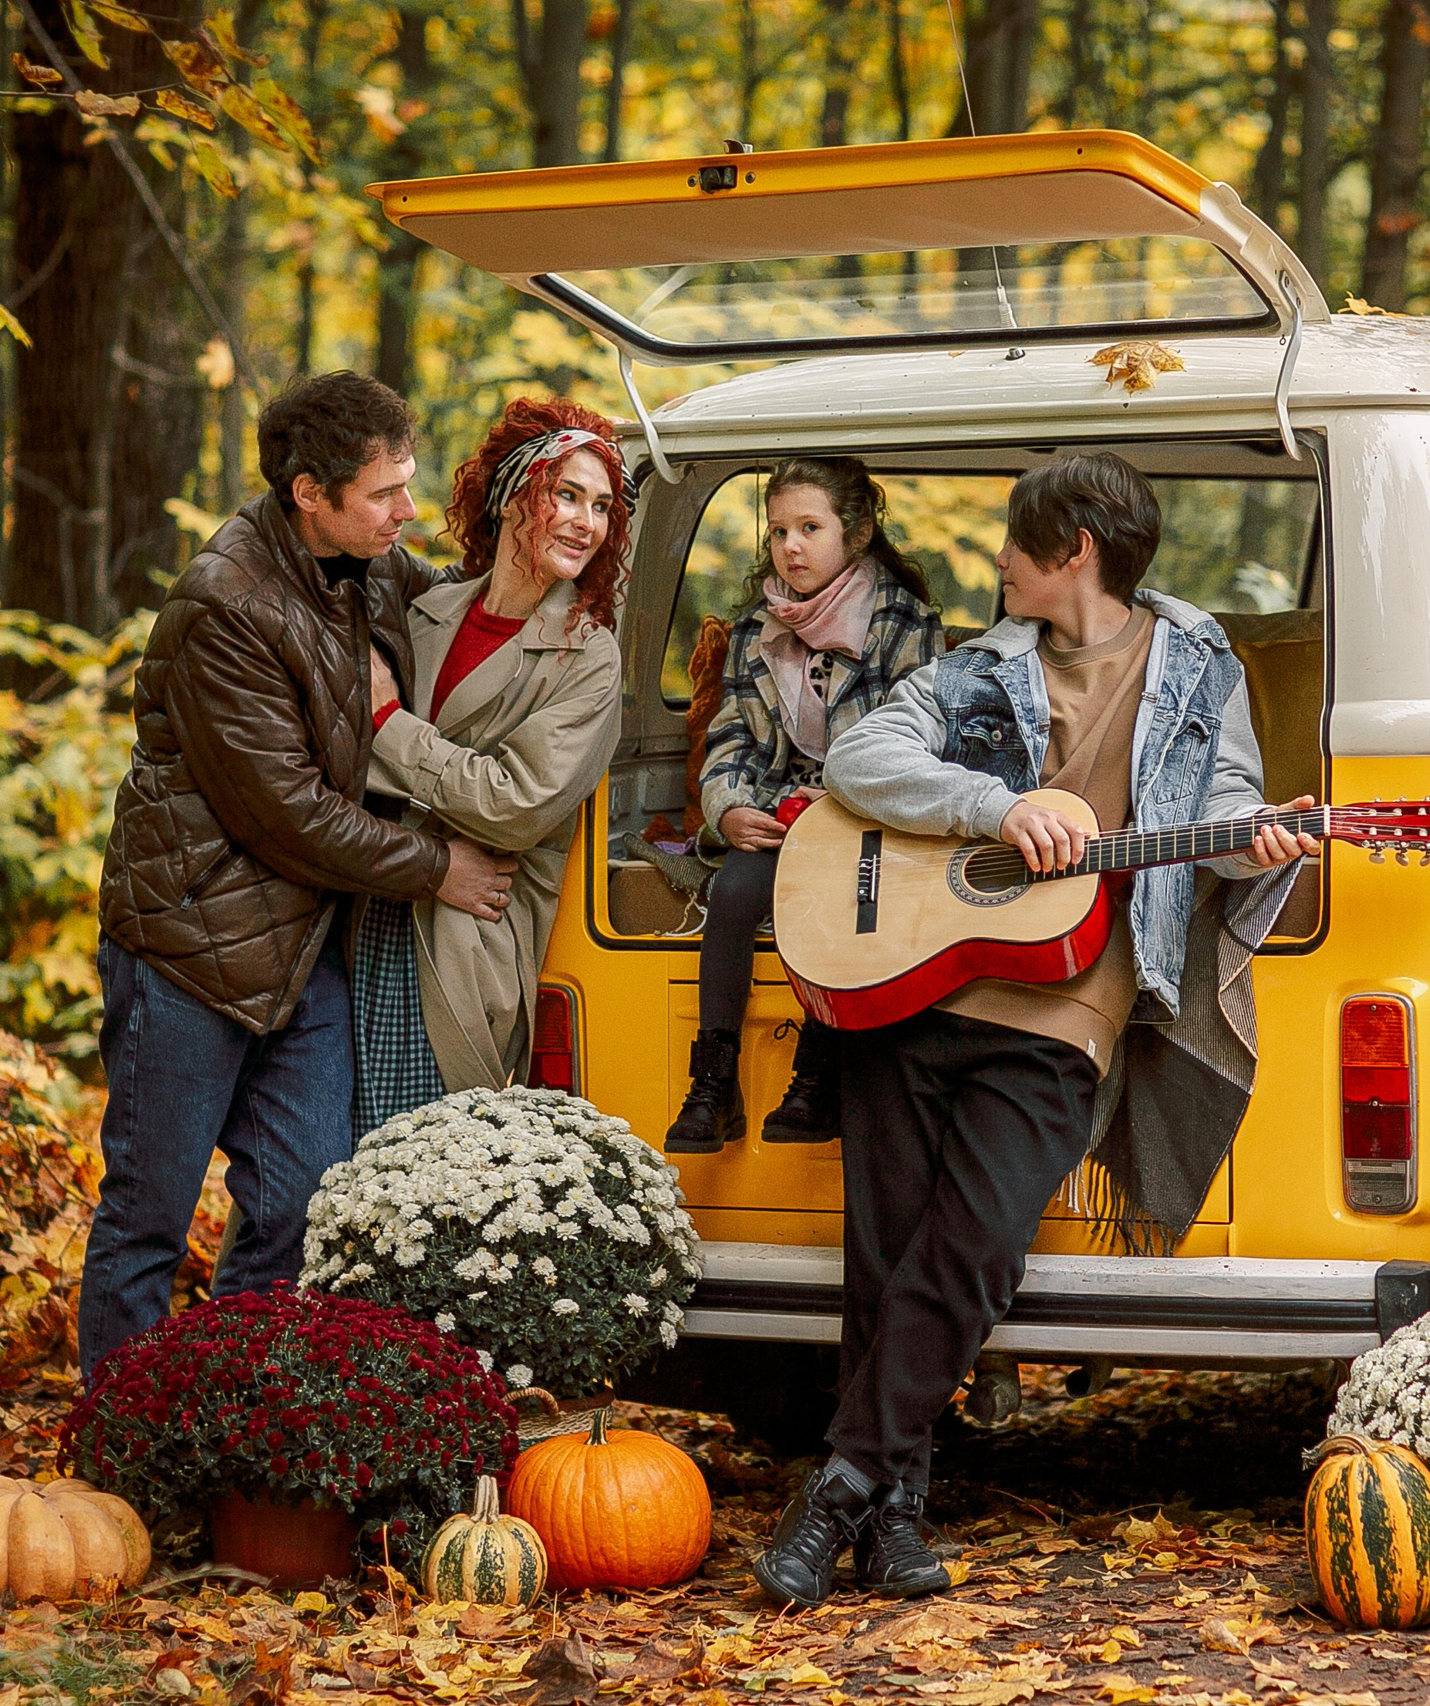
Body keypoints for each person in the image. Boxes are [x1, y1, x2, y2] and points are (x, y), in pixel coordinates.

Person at [751, 452, 1320, 1607]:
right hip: (915, 976)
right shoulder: (984, 663)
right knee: (888, 1252)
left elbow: (1215, 811)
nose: (998, 560)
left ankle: (840, 1481)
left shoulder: (1200, 662)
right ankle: (891, 1515)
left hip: (1072, 996)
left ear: (1074, 554)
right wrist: (996, 805)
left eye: (1017, 543)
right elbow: (859, 755)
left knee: (973, 1245)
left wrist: (1251, 838)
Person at [84, 372, 517, 1384]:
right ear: (308, 492)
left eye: (407, 487)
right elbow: (285, 815)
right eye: (384, 493)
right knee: (150, 1211)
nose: (404, 511)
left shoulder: (371, 564)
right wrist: (438, 867)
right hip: (191, 948)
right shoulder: (222, 605)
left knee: (299, 1198)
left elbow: (474, 615)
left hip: (305, 944)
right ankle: (119, 1451)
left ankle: (230, 1418)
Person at [354, 398, 629, 1131]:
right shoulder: (429, 611)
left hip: (463, 942)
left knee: (420, 1185)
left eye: (601, 506)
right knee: (311, 1178)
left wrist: (389, 727)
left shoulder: (588, 656)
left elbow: (514, 807)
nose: (585, 521)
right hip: (358, 912)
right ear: (512, 497)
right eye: (565, 495)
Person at [666, 458, 942, 1154]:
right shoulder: (759, 626)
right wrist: (729, 808)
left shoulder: (902, 623)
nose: (789, 546)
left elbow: (916, 743)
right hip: (782, 812)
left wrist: (836, 803)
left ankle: (818, 1076)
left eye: (809, 528)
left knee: (846, 893)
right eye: (779, 530)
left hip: (870, 817)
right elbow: (731, 733)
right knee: (734, 891)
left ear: (856, 532)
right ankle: (712, 1081)